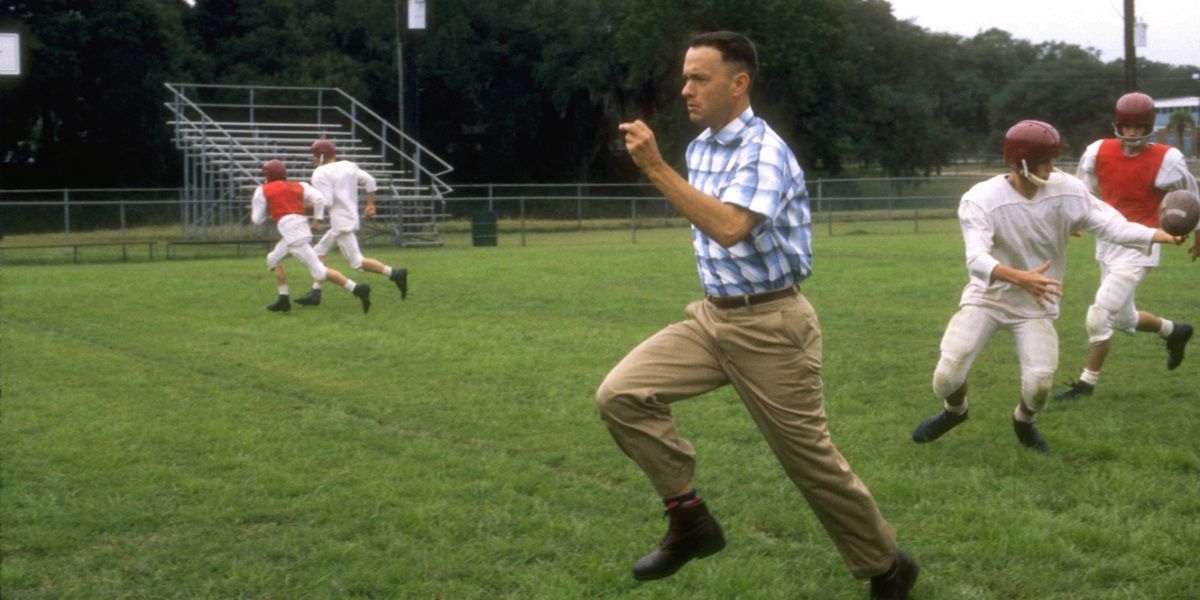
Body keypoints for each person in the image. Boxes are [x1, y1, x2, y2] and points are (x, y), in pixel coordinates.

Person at [594, 31, 918, 599]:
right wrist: (669, 167)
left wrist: (654, 168)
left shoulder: (765, 151)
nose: (685, 89)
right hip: (711, 319)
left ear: (738, 83)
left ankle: (888, 566)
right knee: (621, 395)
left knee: (810, 464)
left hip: (772, 326)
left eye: (699, 78)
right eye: (686, 76)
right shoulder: (700, 149)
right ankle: (689, 519)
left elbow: (728, 227)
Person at [910, 120, 1185, 453]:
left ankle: (1023, 422)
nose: (1052, 168)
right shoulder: (981, 198)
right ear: (1022, 162)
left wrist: (1158, 235)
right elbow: (976, 260)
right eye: (1046, 161)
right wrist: (1020, 277)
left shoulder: (1066, 190)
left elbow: (1111, 225)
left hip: (1035, 305)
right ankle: (955, 412)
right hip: (988, 299)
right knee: (946, 376)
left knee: (1039, 384)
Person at [1054, 92, 1199, 400]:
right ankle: (1176, 331)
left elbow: (1190, 196)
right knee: (1124, 318)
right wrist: (1074, 220)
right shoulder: (1098, 151)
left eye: (1139, 127)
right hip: (1108, 240)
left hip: (1142, 243)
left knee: (1100, 313)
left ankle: (1085, 385)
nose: (1132, 132)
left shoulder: (1167, 158)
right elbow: (1082, 192)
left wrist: (1198, 233)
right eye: (1127, 126)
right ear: (1118, 124)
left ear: (1149, 126)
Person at [292, 139, 408, 307]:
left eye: (315, 155)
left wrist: (305, 204)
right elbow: (370, 181)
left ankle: (395, 273)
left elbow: (327, 201)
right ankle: (315, 292)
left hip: (341, 222)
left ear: (321, 155)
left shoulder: (320, 172)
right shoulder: (348, 165)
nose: (314, 158)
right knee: (318, 252)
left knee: (358, 263)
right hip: (348, 217)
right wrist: (370, 205)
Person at [251, 159, 371, 314]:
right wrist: (316, 221)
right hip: (301, 226)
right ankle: (283, 299)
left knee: (320, 271)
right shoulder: (299, 185)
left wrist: (271, 208)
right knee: (273, 258)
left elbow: (257, 219)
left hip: (291, 232)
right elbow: (319, 199)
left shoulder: (263, 190)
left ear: (266, 174)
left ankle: (357, 289)